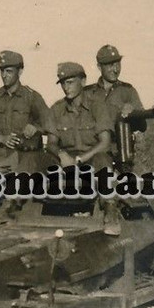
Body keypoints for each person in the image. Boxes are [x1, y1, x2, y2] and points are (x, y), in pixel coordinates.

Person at [47, 62, 122, 237]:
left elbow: (104, 142)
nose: (66, 87)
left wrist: (79, 160)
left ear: (83, 81)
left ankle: (110, 212)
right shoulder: (57, 109)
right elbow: (51, 142)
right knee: (38, 160)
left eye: (71, 82)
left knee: (103, 160)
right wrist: (61, 154)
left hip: (92, 158)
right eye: (63, 83)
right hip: (65, 161)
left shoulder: (97, 107)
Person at [0, 49, 52, 226]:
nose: (4, 75)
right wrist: (1, 138)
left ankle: (8, 209)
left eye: (9, 71)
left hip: (27, 158)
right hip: (2, 158)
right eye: (2, 71)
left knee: (21, 183)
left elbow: (51, 125)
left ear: (20, 72)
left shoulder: (31, 97)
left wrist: (35, 128)